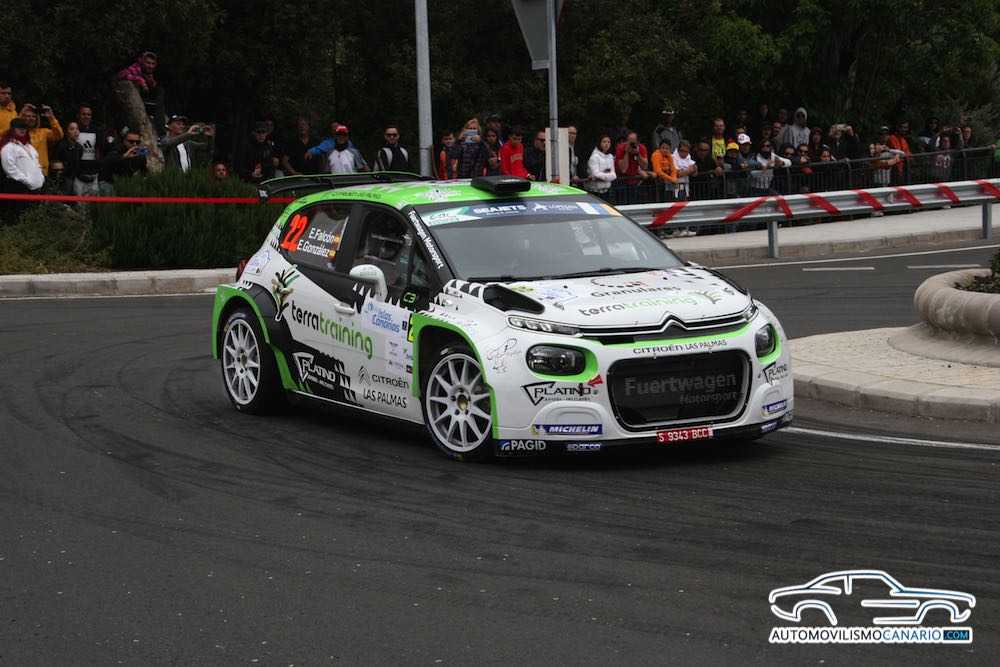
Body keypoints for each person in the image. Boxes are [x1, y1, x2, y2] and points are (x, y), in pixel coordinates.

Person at [117, 51, 165, 135]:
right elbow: (122, 75)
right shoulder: (134, 69)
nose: (150, 66)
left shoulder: (152, 76)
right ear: (142, 62)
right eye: (148, 63)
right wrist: (140, 80)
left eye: (153, 64)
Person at [1, 117, 44, 193]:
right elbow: (9, 169)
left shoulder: (30, 147)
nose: (22, 129)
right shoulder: (8, 147)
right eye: (19, 127)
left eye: (24, 128)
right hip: (17, 187)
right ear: (12, 129)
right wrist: (27, 181)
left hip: (36, 188)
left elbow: (37, 165)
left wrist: (41, 178)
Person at [20, 104, 63, 176]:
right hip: (24, 172)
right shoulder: (18, 133)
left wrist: (51, 117)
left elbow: (59, 135)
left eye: (34, 116)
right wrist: (21, 113)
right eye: (28, 116)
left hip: (41, 172)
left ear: (37, 119)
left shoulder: (43, 132)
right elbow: (9, 133)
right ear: (23, 118)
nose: (31, 118)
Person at [52, 122, 84, 194]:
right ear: (66, 132)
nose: (75, 131)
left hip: (75, 180)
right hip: (63, 181)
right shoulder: (61, 145)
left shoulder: (79, 147)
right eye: (72, 129)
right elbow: (55, 163)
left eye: (77, 129)